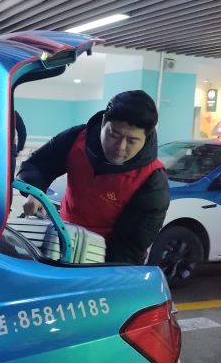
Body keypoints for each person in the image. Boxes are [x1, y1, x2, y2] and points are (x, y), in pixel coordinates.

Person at [17, 90, 170, 264]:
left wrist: (96, 272)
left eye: (132, 141)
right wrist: (35, 192)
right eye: (114, 134)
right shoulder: (77, 138)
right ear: (104, 122)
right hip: (63, 239)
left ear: (146, 137)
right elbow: (39, 164)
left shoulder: (152, 181)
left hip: (104, 258)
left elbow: (129, 246)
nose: (120, 147)